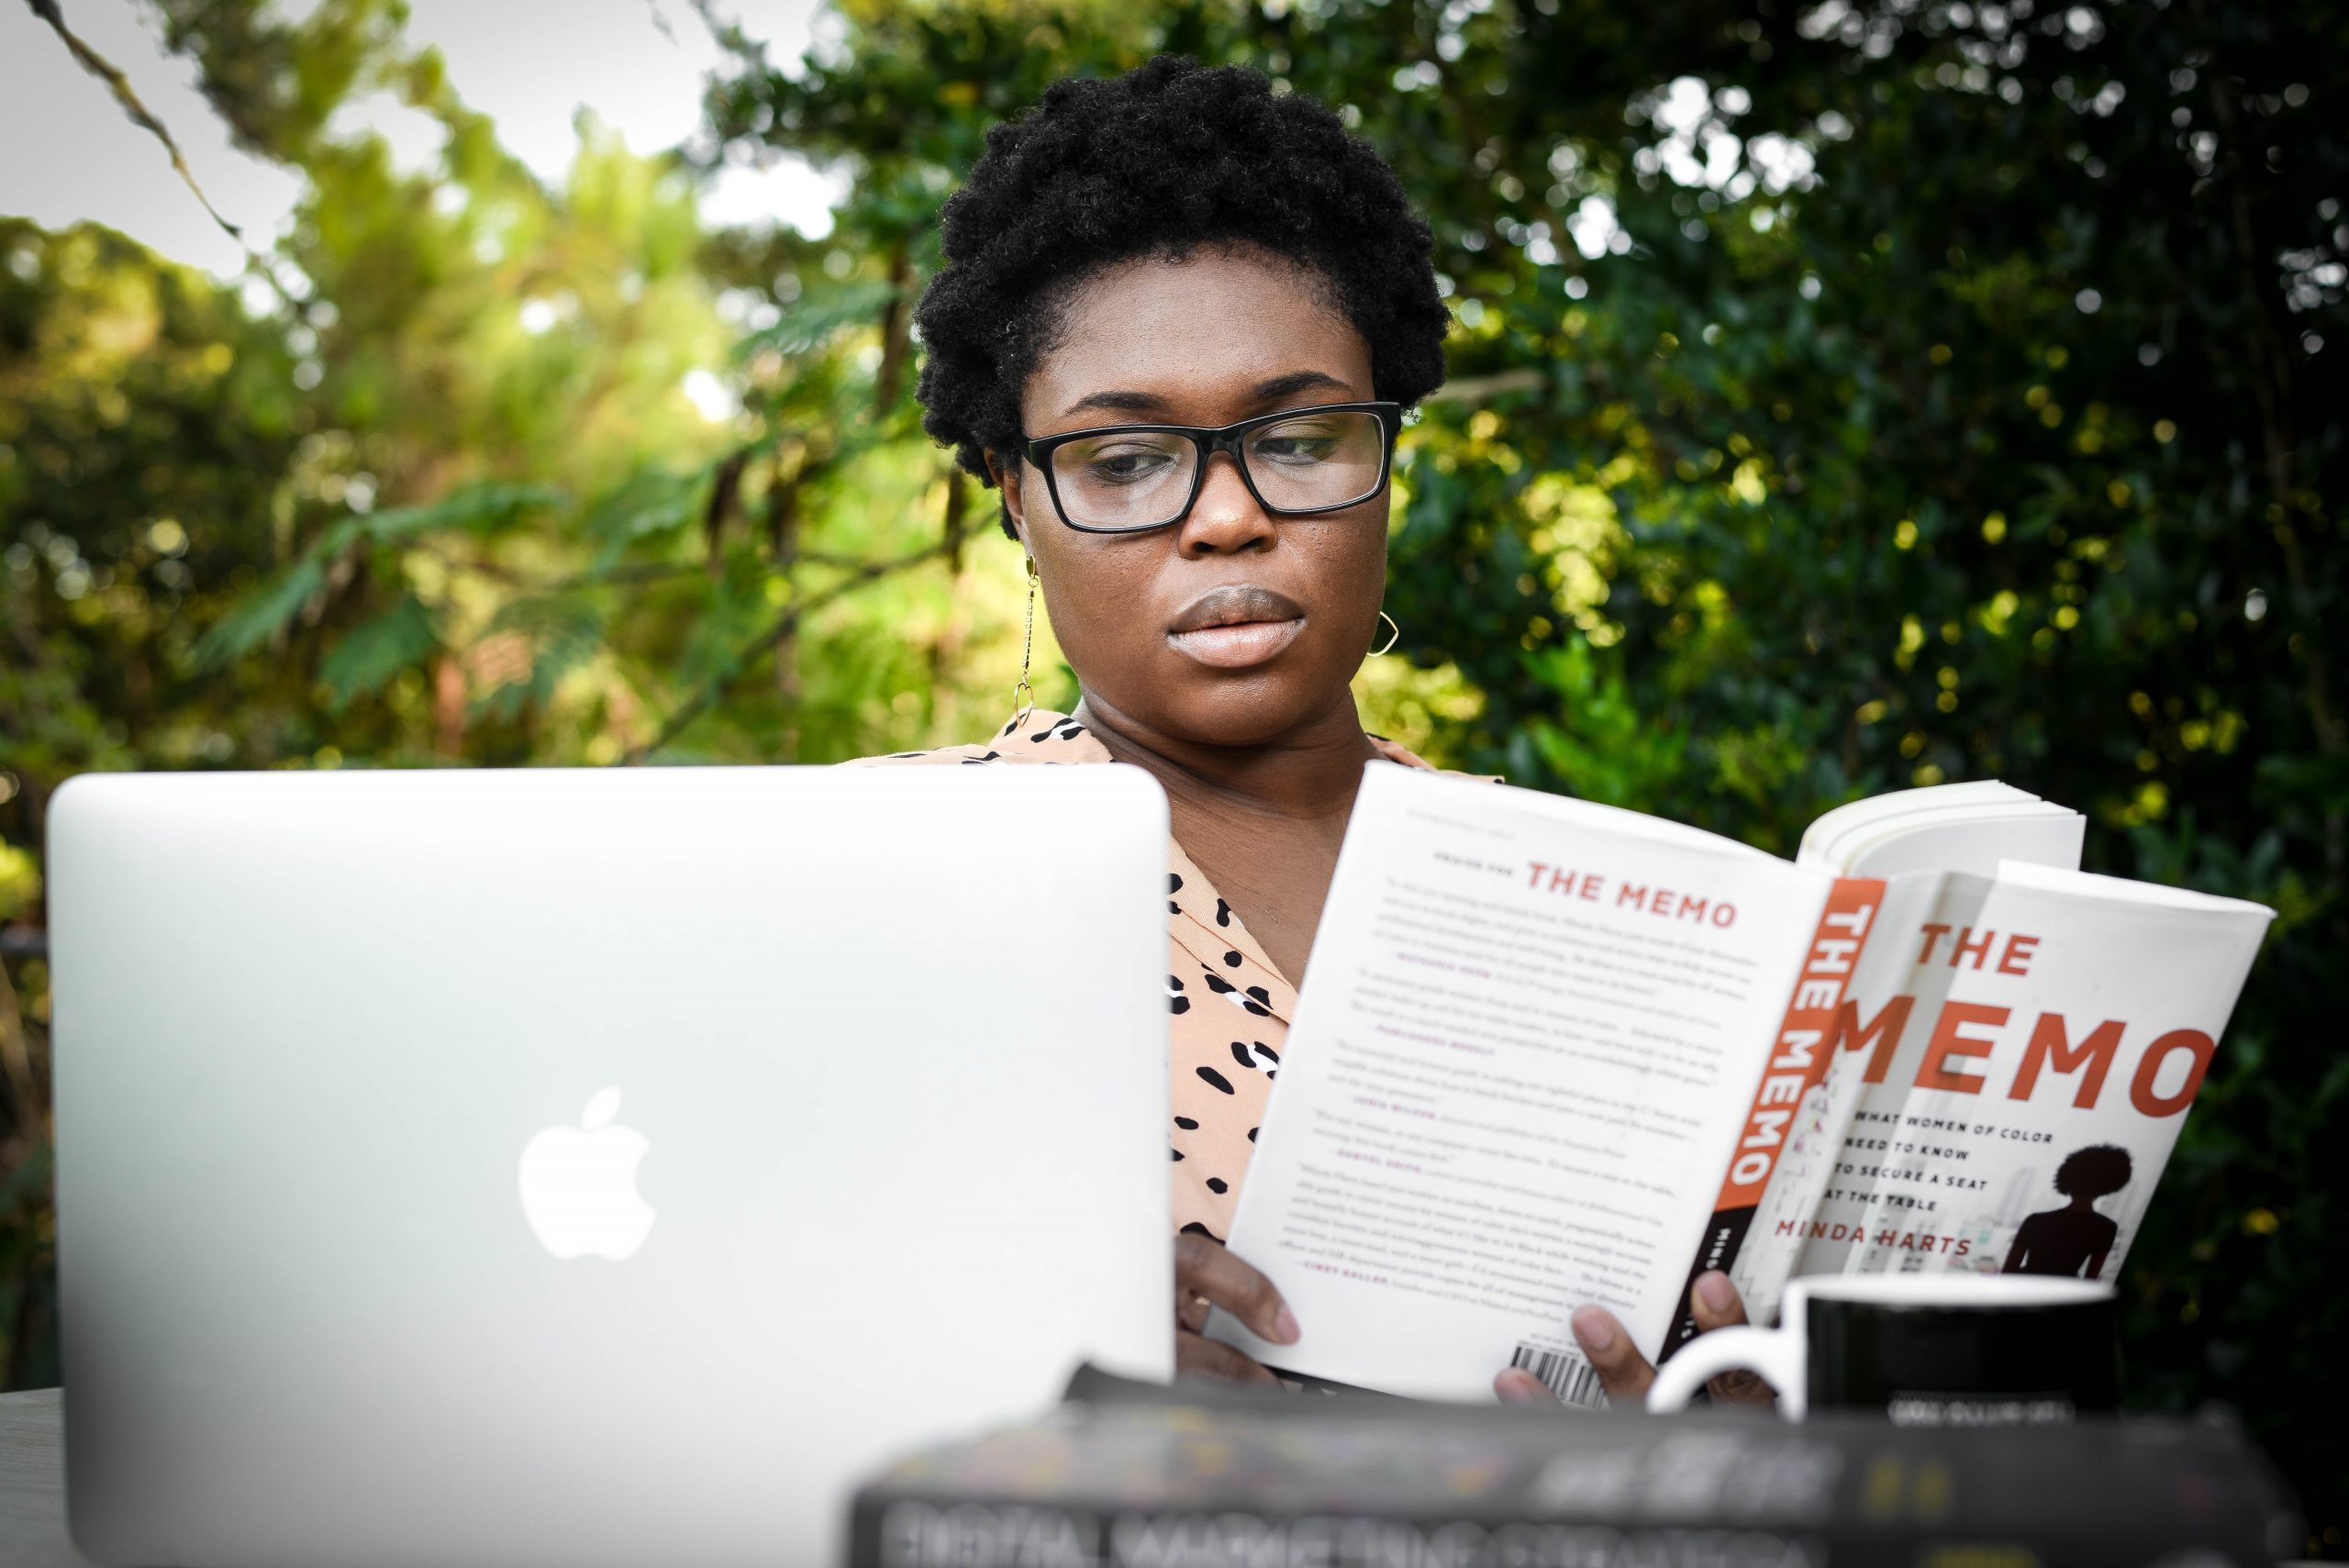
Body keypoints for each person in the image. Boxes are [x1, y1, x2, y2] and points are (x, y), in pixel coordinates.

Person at [856, 56, 1766, 1409]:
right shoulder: (884, 867)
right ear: (1012, 495)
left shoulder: (1570, 900)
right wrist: (1025, 1342)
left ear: (1383, 455)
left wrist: (1709, 1427)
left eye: (1297, 438)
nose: (1227, 515)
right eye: (1124, 461)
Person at [2003, 1144, 2132, 1280]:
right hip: (2063, 1291)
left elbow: (2009, 1268)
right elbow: (2091, 1277)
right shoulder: (2106, 1227)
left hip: (2025, 1286)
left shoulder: (2036, 1220)